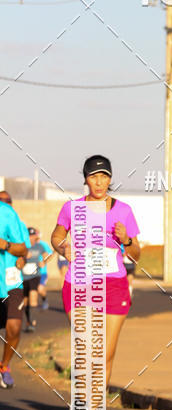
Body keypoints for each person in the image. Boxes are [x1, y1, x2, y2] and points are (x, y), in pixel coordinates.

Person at [51, 155, 141, 389]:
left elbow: (135, 254)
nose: (99, 182)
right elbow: (57, 235)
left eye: (104, 176)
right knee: (86, 350)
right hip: (79, 284)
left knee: (105, 355)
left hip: (114, 286)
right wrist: (63, 247)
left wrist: (127, 239)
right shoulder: (72, 208)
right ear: (86, 179)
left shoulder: (123, 211)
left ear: (110, 179)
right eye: (94, 176)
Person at [0, 191, 29, 388]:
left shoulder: (8, 215)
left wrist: (6, 245)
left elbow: (22, 249)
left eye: (7, 201)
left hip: (11, 280)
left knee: (14, 327)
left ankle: (5, 366)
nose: (4, 203)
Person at [21, 227, 47, 332]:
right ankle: (28, 321)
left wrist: (44, 262)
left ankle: (33, 322)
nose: (31, 238)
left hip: (35, 276)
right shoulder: (22, 247)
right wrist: (23, 257)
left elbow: (47, 255)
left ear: (35, 236)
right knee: (25, 301)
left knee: (33, 296)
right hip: (23, 277)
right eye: (29, 236)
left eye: (33, 236)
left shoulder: (39, 246)